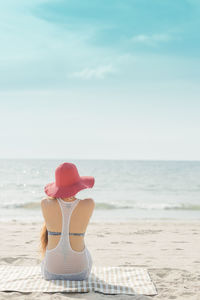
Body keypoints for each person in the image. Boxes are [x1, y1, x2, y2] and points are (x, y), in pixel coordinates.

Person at [40, 162, 95, 280]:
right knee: (87, 253)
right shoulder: (89, 204)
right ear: (77, 184)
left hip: (51, 273)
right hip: (80, 274)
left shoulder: (45, 203)